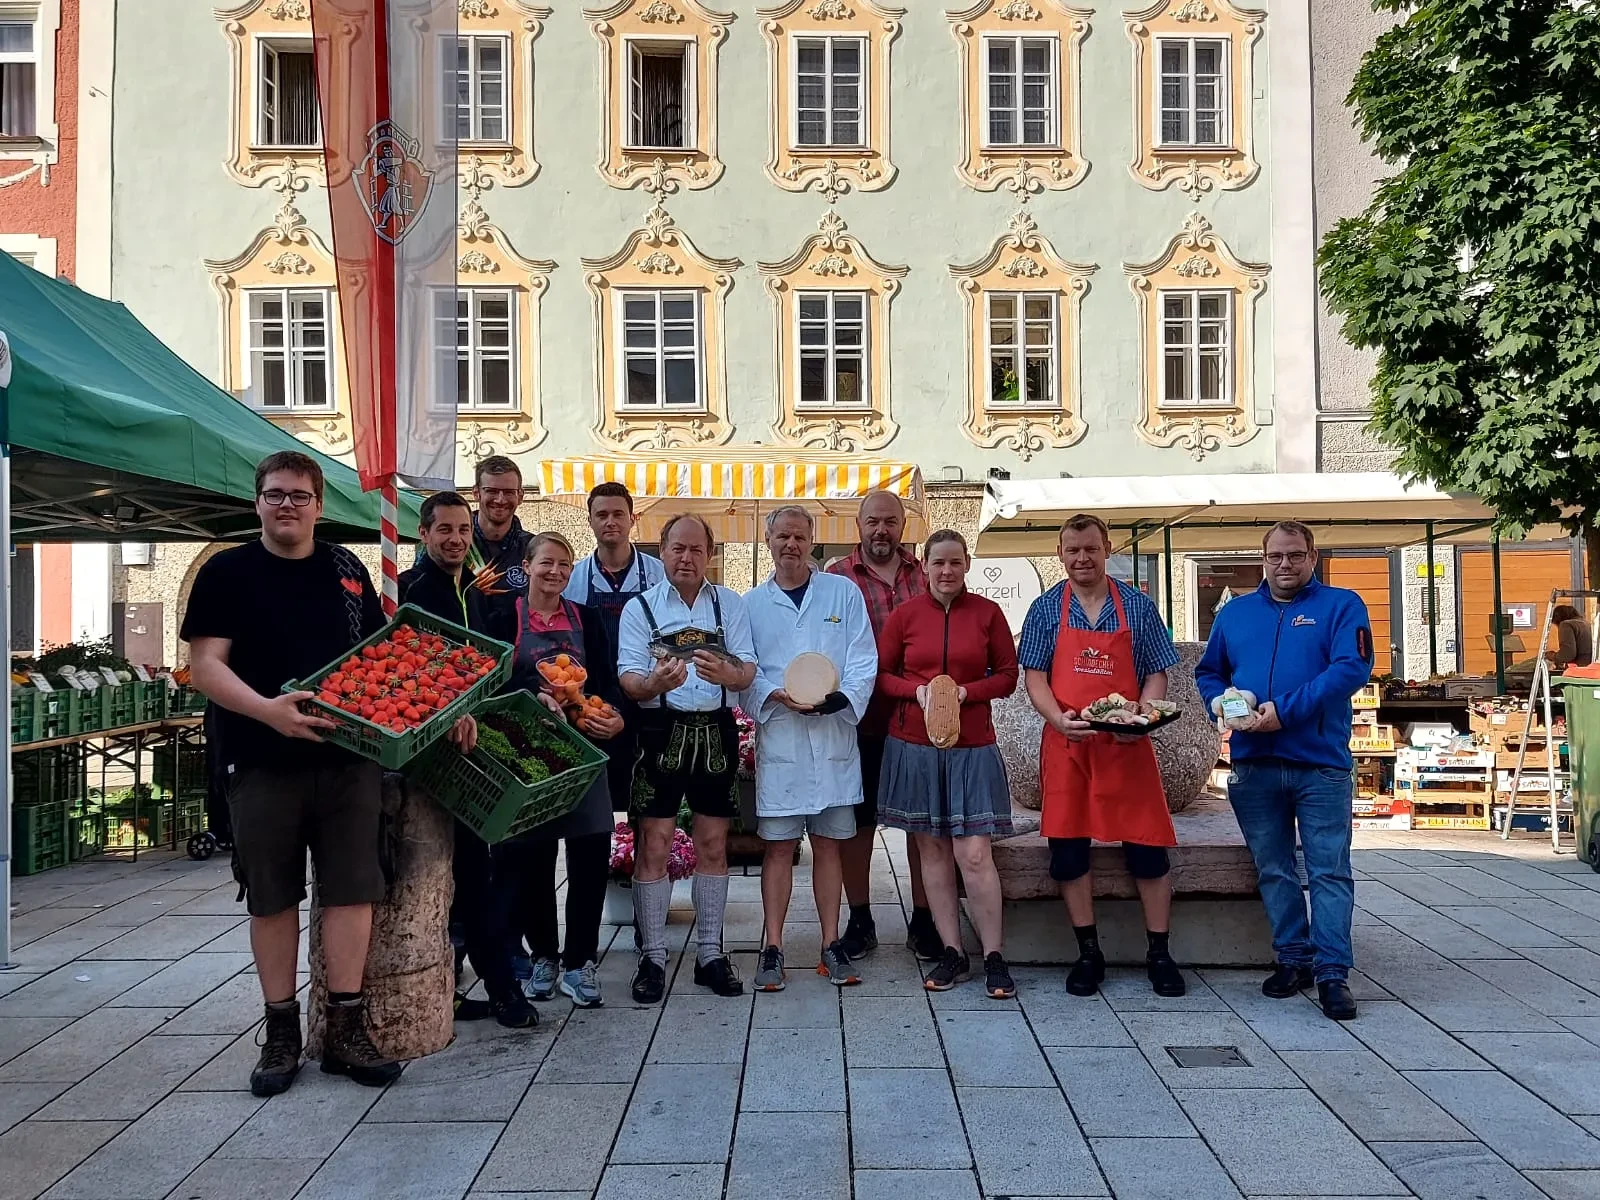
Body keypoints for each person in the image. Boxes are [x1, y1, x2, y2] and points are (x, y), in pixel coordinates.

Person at [183, 451, 408, 1096]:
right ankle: (280, 1030)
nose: (288, 505)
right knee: (273, 896)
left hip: (346, 760)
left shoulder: (345, 569)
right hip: (260, 759)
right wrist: (268, 712)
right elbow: (206, 666)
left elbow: (377, 660)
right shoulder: (226, 572)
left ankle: (344, 1026)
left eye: (300, 495)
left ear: (319, 505)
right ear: (257, 502)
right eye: (275, 494)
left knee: (352, 891)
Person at [1196, 520, 1373, 1021]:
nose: (1285, 565)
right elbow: (1209, 671)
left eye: (1295, 555)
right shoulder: (1236, 614)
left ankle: (1333, 973)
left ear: (1312, 557)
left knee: (1329, 871)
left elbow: (1349, 670)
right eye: (1276, 556)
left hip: (1320, 765)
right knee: (1274, 870)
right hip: (1255, 765)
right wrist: (1222, 703)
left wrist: (1283, 711)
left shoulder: (1342, 606)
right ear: (1263, 558)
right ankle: (1293, 959)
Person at [1018, 514, 1186, 999]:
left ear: (1107, 548)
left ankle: (1159, 952)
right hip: (1068, 745)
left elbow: (1156, 672)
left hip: (1126, 748)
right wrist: (1056, 718)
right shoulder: (1047, 608)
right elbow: (1035, 678)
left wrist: (1144, 714)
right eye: (1073, 550)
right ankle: (1088, 953)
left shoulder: (1136, 605)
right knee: (1068, 853)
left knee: (1147, 850)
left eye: (1091, 549)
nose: (1082, 558)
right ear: (1060, 553)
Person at [397, 491, 535, 1030]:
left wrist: (532, 691)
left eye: (461, 530)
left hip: (470, 752)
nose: (454, 539)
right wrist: (441, 710)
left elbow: (496, 662)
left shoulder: (475, 593)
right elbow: (403, 668)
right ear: (424, 535)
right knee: (431, 880)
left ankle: (498, 987)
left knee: (476, 876)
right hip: (422, 758)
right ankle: (451, 991)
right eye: (444, 530)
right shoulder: (406, 593)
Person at [618, 514, 758, 1004]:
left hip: (715, 730)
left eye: (696, 550)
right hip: (660, 730)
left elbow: (748, 671)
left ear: (710, 554)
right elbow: (629, 681)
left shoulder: (730, 604)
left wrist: (728, 673)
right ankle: (653, 956)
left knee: (714, 845)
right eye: (677, 549)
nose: (686, 558)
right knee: (654, 843)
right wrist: (655, 684)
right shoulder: (640, 608)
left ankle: (709, 953)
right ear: (662, 550)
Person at [876, 530, 1019, 998]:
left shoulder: (987, 614)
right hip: (914, 745)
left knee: (974, 854)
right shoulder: (905, 616)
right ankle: (952, 952)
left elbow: (1007, 675)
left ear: (966, 565)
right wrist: (914, 691)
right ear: (925, 566)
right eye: (938, 563)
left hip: (971, 747)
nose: (946, 571)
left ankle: (994, 954)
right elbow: (881, 675)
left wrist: (965, 692)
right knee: (931, 853)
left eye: (955, 563)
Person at [742, 506, 879, 990]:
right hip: (781, 738)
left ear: (813, 539)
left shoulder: (843, 593)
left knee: (828, 846)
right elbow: (745, 668)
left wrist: (844, 698)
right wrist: (770, 694)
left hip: (832, 737)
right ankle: (772, 946)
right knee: (778, 848)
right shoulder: (751, 604)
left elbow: (864, 658)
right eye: (782, 536)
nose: (790, 545)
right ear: (768, 540)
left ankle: (830, 943)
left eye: (799, 536)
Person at [496, 532, 625, 1009]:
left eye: (564, 565)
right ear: (526, 566)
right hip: (527, 754)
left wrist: (611, 714)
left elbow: (608, 681)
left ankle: (580, 961)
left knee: (591, 854)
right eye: (546, 563)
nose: (555, 572)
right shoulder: (501, 615)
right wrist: (535, 695)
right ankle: (545, 956)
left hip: (583, 750)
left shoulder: (586, 619)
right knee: (534, 857)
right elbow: (493, 682)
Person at [826, 491, 939, 962]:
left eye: (890, 522)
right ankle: (860, 918)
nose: (881, 531)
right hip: (859, 719)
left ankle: (924, 919)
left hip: (916, 719)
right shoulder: (836, 578)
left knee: (920, 824)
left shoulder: (926, 574)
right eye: (873, 521)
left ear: (902, 525)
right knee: (858, 823)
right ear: (858, 524)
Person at [563, 482, 666, 813]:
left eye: (618, 514)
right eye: (602, 514)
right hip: (595, 703)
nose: (611, 521)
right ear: (590, 521)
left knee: (651, 803)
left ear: (632, 518)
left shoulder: (660, 575)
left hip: (651, 698)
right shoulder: (574, 579)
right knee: (601, 803)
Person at [466, 455, 534, 649]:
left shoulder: (533, 548)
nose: (500, 499)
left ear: (520, 496)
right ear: (476, 493)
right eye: (492, 491)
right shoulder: (454, 545)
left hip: (519, 660)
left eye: (508, 492)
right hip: (458, 659)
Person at [1552, 604, 1594, 670]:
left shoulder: (1566, 624)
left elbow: (1567, 655)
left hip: (1579, 670)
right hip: (1591, 667)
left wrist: (1552, 656)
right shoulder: (1587, 623)